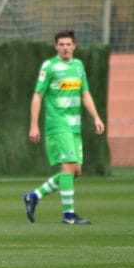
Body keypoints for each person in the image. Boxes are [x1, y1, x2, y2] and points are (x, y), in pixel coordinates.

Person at [23, 30, 104, 224]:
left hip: (74, 126)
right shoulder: (49, 67)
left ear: (74, 46)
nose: (65, 47)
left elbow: (85, 94)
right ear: (56, 47)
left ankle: (34, 196)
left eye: (68, 44)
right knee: (68, 167)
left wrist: (96, 117)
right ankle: (68, 215)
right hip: (58, 124)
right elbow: (38, 95)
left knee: (75, 171)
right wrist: (34, 125)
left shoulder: (78, 66)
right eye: (61, 44)